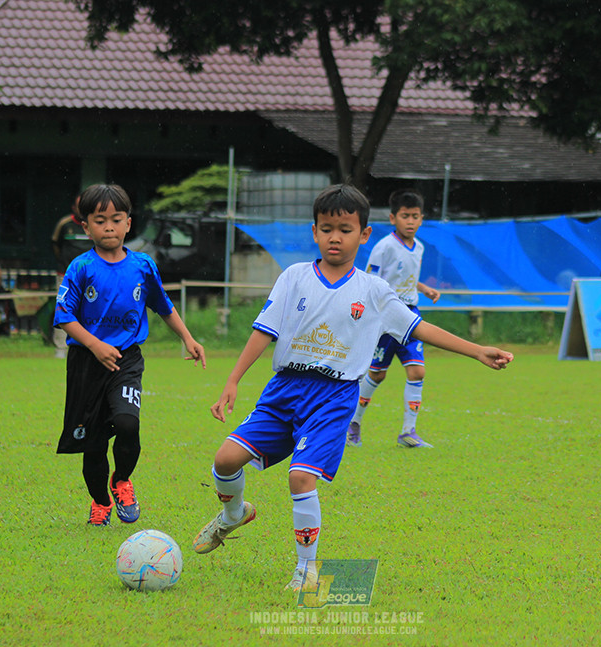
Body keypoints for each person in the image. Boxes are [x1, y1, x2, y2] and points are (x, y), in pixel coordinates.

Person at [192, 184, 513, 591]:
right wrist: (233, 381)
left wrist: (476, 350)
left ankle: (306, 570)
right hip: (284, 389)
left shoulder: (375, 291)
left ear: (363, 234)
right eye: (327, 228)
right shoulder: (293, 278)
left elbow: (419, 327)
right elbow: (264, 331)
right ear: (314, 231)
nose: (335, 237)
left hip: (334, 396)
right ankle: (234, 514)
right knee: (224, 460)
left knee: (300, 478)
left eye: (345, 229)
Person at [53, 183, 206, 527]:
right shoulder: (80, 267)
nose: (108, 226)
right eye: (100, 220)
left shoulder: (142, 265)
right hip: (86, 364)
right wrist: (94, 344)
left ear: (128, 224)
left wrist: (188, 338)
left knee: (127, 423)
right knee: (91, 446)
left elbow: (163, 306)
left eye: (116, 219)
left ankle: (121, 480)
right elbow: (63, 316)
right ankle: (101, 501)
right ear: (86, 227)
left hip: (126, 360)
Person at [346, 188, 441, 449]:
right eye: (405, 216)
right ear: (392, 218)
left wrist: (423, 289)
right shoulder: (383, 247)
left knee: (417, 370)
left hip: (410, 314)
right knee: (377, 375)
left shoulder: (419, 247)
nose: (410, 221)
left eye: (415, 216)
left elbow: (405, 277)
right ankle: (354, 424)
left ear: (422, 219)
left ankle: (408, 432)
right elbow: (371, 279)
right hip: (386, 318)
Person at [50, 196, 91, 358]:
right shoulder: (64, 224)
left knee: (90, 309)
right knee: (64, 308)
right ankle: (60, 348)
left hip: (90, 277)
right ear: (74, 207)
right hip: (65, 274)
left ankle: (88, 345)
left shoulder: (95, 223)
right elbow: (55, 245)